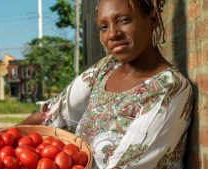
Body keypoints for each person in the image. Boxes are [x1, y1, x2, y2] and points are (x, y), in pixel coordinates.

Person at [18, 0, 193, 168]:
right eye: (104, 27)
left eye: (123, 20)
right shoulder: (106, 68)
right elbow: (52, 114)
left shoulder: (170, 88)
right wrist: (1, 145)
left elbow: (125, 165)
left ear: (152, 19)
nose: (113, 34)